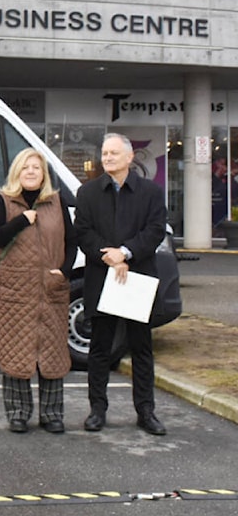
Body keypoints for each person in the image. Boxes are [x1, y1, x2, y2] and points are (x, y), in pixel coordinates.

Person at [75, 133, 168, 436]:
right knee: (100, 348)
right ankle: (97, 410)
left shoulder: (151, 193)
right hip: (102, 278)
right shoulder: (87, 193)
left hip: (136, 279)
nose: (108, 157)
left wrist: (126, 253)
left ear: (130, 158)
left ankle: (146, 411)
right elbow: (83, 233)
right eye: (105, 152)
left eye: (114, 153)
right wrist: (111, 258)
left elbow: (154, 231)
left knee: (141, 348)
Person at [0, 148, 77, 434]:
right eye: (25, 167)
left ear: (43, 174)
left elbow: (72, 242)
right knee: (16, 351)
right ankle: (17, 413)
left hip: (51, 288)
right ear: (17, 172)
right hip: (14, 290)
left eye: (36, 168)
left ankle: (52, 415)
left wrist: (63, 271)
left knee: (52, 352)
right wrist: (21, 220)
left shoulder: (57, 202)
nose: (30, 172)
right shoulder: (3, 200)